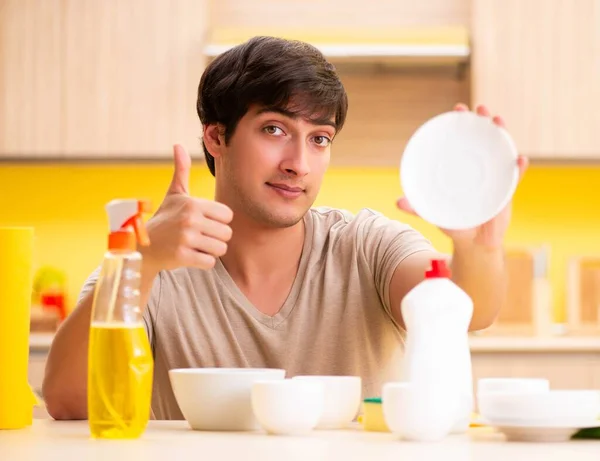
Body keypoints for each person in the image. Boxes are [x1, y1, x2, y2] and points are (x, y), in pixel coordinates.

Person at [43, 36, 528, 421]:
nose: (299, 163)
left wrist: (476, 245)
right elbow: (69, 401)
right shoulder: (153, 264)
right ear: (216, 136)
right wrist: (140, 261)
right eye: (275, 129)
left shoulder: (365, 244)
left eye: (319, 139)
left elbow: (468, 312)